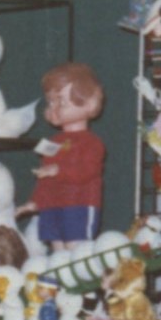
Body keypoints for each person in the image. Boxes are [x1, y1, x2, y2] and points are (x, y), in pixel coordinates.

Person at [24, 63, 107, 250]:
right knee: (58, 252)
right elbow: (44, 178)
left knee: (75, 249)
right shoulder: (52, 142)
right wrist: (35, 201)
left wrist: (58, 170)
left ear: (89, 103)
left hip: (78, 205)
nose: (53, 108)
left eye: (61, 102)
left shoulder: (91, 142)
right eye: (50, 102)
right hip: (51, 207)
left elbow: (88, 171)